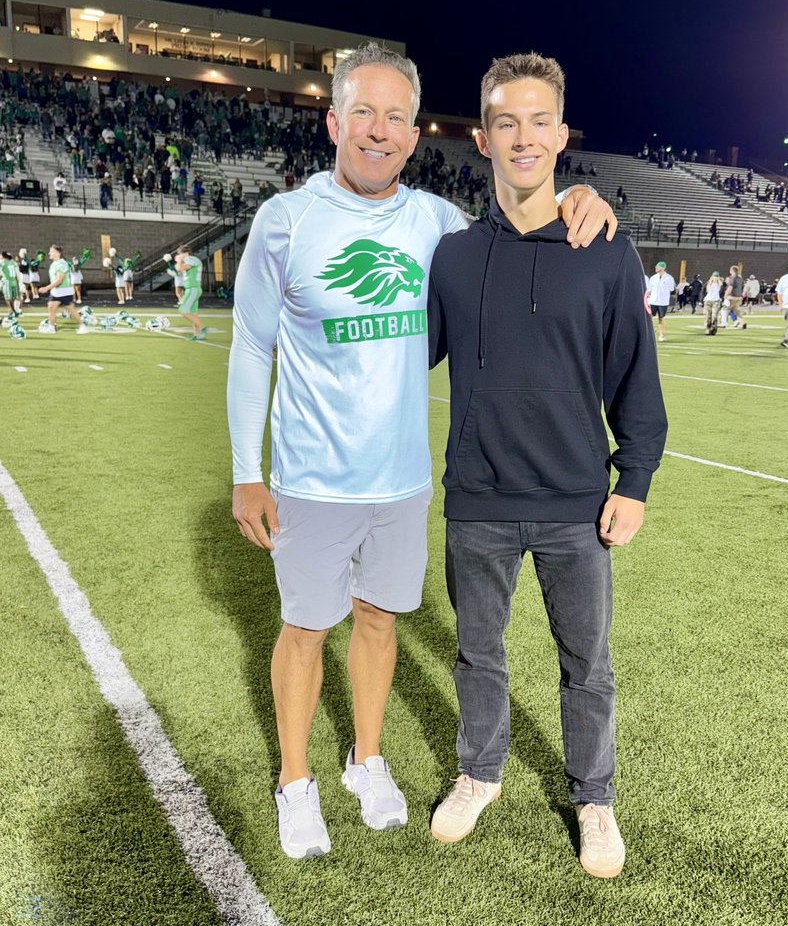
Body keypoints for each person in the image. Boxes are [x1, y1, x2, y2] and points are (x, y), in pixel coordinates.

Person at [226, 43, 616, 862]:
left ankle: (366, 760)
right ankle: (295, 782)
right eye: (362, 112)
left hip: (402, 484)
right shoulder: (286, 221)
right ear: (333, 121)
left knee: (378, 622)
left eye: (395, 117)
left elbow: (519, 222)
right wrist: (245, 472)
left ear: (414, 133)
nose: (378, 130)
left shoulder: (436, 224)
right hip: (309, 481)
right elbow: (249, 348)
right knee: (304, 629)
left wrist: (580, 193)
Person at [427, 53, 666, 878]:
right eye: (505, 121)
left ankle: (593, 797)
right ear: (483, 137)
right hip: (479, 503)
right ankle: (478, 773)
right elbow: (401, 361)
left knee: (586, 665)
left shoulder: (605, 248)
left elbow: (638, 378)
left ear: (561, 135)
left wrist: (633, 483)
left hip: (575, 503)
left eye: (538, 121)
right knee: (478, 654)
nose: (522, 137)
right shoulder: (452, 256)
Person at [36, 245, 90, 334]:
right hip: (57, 291)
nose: (49, 253)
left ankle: (82, 326)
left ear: (58, 253)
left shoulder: (62, 264)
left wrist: (47, 288)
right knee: (52, 307)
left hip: (64, 291)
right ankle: (52, 327)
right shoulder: (54, 264)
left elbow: (59, 280)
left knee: (70, 310)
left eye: (52, 251)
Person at [174, 248, 208, 341]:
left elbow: (180, 268)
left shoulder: (191, 259)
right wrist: (179, 261)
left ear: (186, 253)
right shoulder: (188, 260)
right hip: (192, 288)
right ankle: (197, 335)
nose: (179, 255)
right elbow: (178, 269)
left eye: (180, 253)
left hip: (192, 288)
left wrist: (179, 260)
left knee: (183, 310)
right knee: (193, 313)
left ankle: (202, 327)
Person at [645, 259, 676, 342]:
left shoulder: (669, 278)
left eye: (657, 266)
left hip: (663, 302)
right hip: (653, 301)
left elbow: (671, 288)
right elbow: (649, 290)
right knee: (649, 318)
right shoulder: (653, 278)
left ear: (662, 268)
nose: (656, 267)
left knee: (661, 318)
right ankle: (649, 333)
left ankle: (661, 335)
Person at [0, 250, 23, 319]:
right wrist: (19, 282)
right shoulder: (13, 262)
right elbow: (17, 273)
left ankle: (13, 311)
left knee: (8, 298)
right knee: (14, 297)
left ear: (3, 256)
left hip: (7, 281)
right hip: (14, 281)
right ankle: (14, 310)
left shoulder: (2, 262)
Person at [723, 264, 747, 329]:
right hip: (738, 297)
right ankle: (743, 323)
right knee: (737, 311)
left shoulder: (732, 278)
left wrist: (725, 295)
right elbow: (742, 287)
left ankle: (723, 323)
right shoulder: (740, 278)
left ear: (731, 270)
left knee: (725, 310)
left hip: (732, 296)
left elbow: (730, 287)